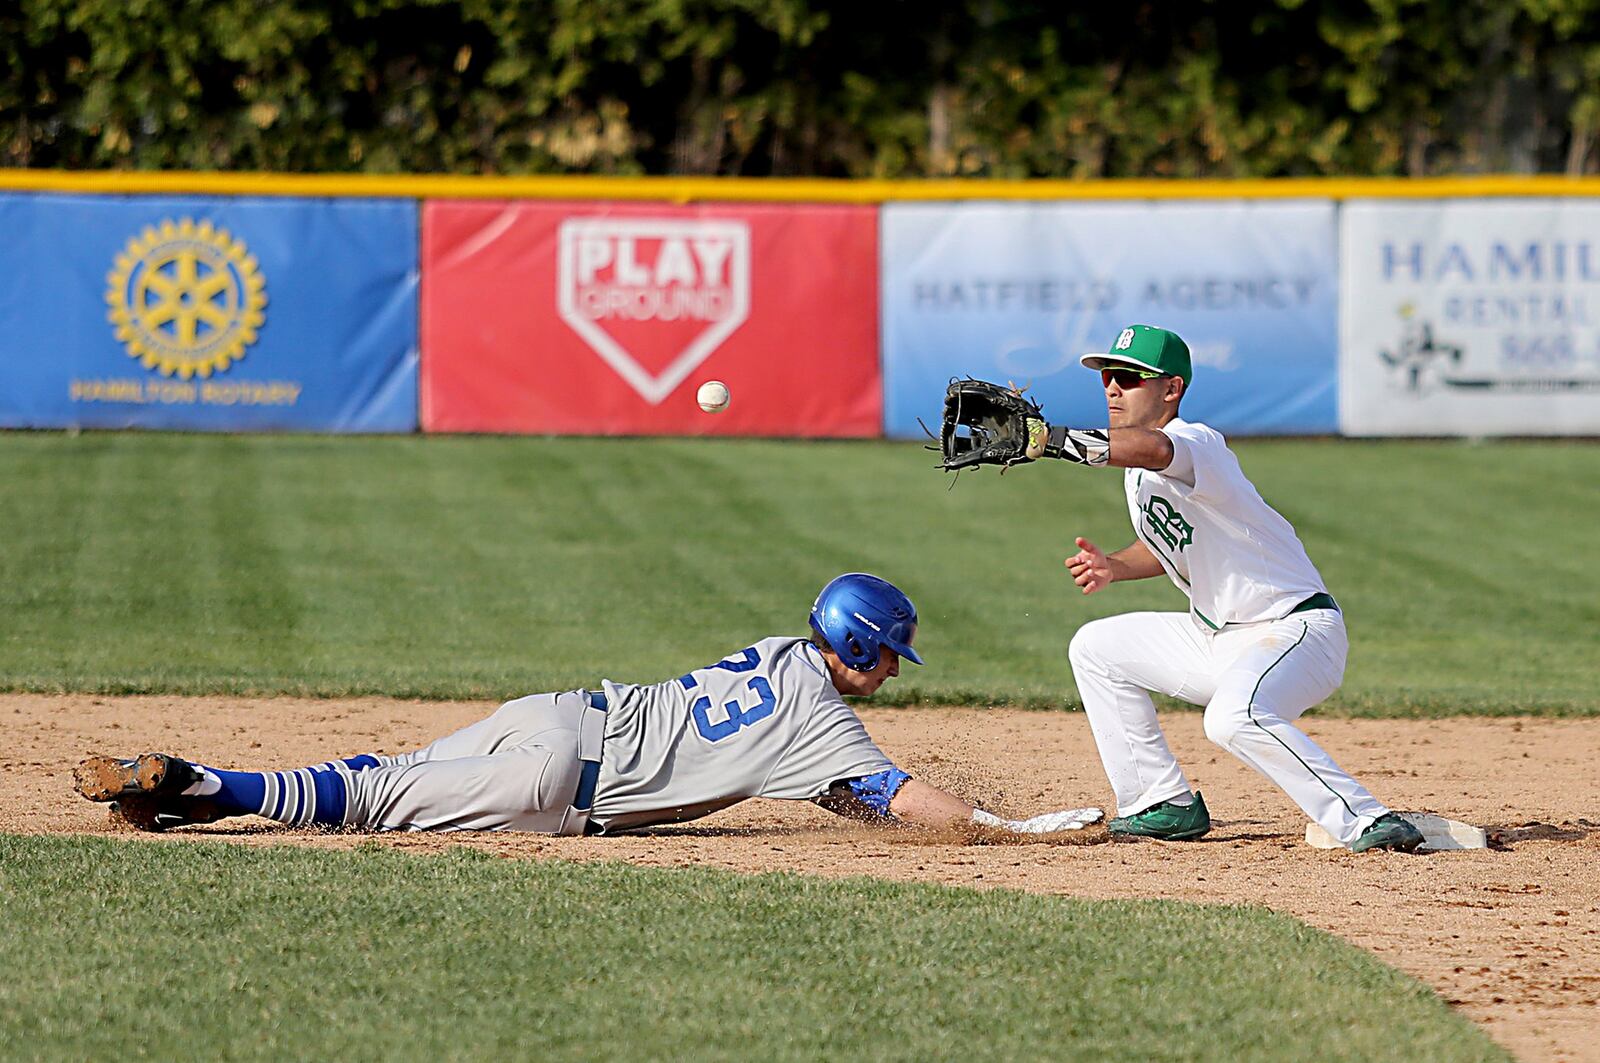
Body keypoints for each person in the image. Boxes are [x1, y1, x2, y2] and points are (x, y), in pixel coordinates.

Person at [74, 573, 1102, 839]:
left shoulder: (785, 655)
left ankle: (189, 797)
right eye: (891, 659)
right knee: (376, 804)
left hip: (552, 711)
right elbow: (894, 796)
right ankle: (207, 784)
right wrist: (999, 826)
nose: (894, 674)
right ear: (865, 651)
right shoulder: (821, 725)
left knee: (379, 777)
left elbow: (843, 796)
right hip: (560, 782)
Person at [1020, 324, 1422, 853]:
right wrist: (1114, 566)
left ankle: (1364, 820)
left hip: (1295, 631)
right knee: (1097, 648)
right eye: (1108, 377)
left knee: (1232, 718)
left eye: (1129, 377)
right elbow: (1177, 544)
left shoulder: (1195, 444)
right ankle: (1160, 803)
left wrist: (1049, 440)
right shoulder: (1137, 472)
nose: (1113, 388)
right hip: (1220, 639)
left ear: (1172, 389)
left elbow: (1152, 448)